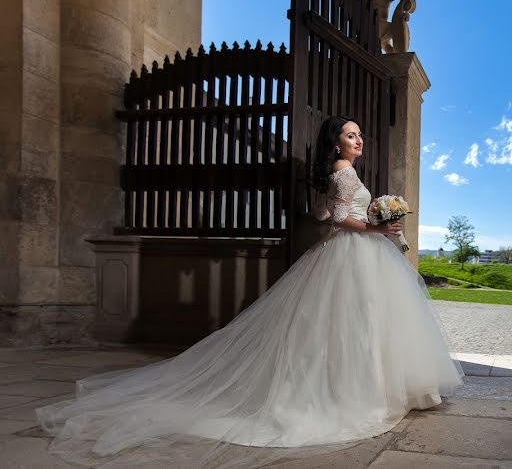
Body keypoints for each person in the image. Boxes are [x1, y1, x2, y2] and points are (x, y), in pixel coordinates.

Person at [34, 115, 465, 468]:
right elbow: (335, 218)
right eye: (351, 135)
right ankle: (361, 393)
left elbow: (320, 211)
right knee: (359, 321)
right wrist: (375, 225)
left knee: (351, 323)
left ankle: (368, 388)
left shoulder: (339, 174)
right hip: (353, 249)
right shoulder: (344, 172)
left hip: (351, 252)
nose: (359, 140)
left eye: (360, 134)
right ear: (335, 144)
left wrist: (371, 218)